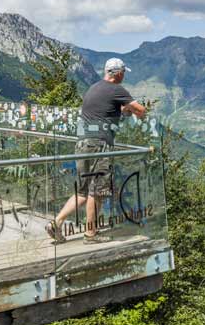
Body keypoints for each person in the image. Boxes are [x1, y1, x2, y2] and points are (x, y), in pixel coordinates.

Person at [47, 57, 146, 243]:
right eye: (123, 72)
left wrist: (122, 110)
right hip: (99, 145)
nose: (124, 76)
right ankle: (90, 235)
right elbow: (141, 110)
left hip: (82, 143)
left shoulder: (94, 87)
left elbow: (105, 109)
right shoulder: (117, 89)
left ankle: (56, 223)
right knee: (97, 191)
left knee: (82, 192)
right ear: (118, 73)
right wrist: (137, 114)